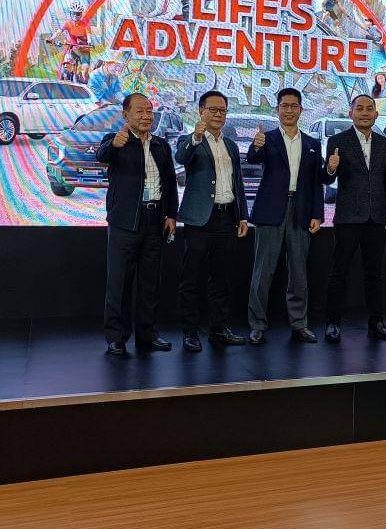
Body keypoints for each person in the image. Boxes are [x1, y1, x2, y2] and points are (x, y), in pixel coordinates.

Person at [95, 93, 179, 355]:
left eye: (149, 111)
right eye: (140, 111)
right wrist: (113, 145)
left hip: (154, 221)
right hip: (125, 222)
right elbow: (101, 155)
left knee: (150, 283)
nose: (146, 116)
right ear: (126, 115)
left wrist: (171, 215)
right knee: (119, 283)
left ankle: (147, 334)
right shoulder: (116, 140)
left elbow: (170, 182)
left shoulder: (161, 145)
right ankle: (116, 337)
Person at [246, 88, 324, 345]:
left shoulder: (312, 144)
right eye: (284, 106)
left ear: (301, 110)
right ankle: (257, 325)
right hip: (271, 211)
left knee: (299, 273)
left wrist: (318, 214)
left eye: (294, 106)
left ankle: (299, 324)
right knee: (262, 272)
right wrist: (256, 146)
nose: (289, 110)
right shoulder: (266, 138)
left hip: (301, 211)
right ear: (277, 109)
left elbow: (316, 182)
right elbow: (253, 158)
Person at [175, 90, 249, 352]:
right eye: (213, 109)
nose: (218, 114)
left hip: (227, 218)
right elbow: (181, 158)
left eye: (223, 110)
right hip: (199, 220)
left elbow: (237, 182)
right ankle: (190, 332)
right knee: (192, 279)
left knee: (222, 279)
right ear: (201, 111)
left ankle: (219, 329)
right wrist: (196, 137)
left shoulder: (231, 145)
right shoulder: (190, 140)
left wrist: (242, 215)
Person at [322, 94, 386, 343]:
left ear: (376, 114)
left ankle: (377, 323)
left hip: (376, 218)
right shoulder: (337, 141)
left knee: (374, 275)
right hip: (348, 218)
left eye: (369, 109)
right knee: (339, 273)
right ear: (351, 113)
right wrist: (331, 167)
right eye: (360, 108)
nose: (365, 112)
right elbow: (327, 178)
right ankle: (332, 323)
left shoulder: (385, 144)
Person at [46, 2, 92, 83]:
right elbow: (59, 31)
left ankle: (83, 82)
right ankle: (65, 79)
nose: (75, 16)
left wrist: (89, 41)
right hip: (72, 48)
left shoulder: (85, 24)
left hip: (84, 50)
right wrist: (51, 39)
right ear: (70, 13)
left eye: (77, 14)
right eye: (73, 13)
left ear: (81, 14)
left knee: (84, 71)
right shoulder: (68, 23)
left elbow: (88, 35)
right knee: (66, 66)